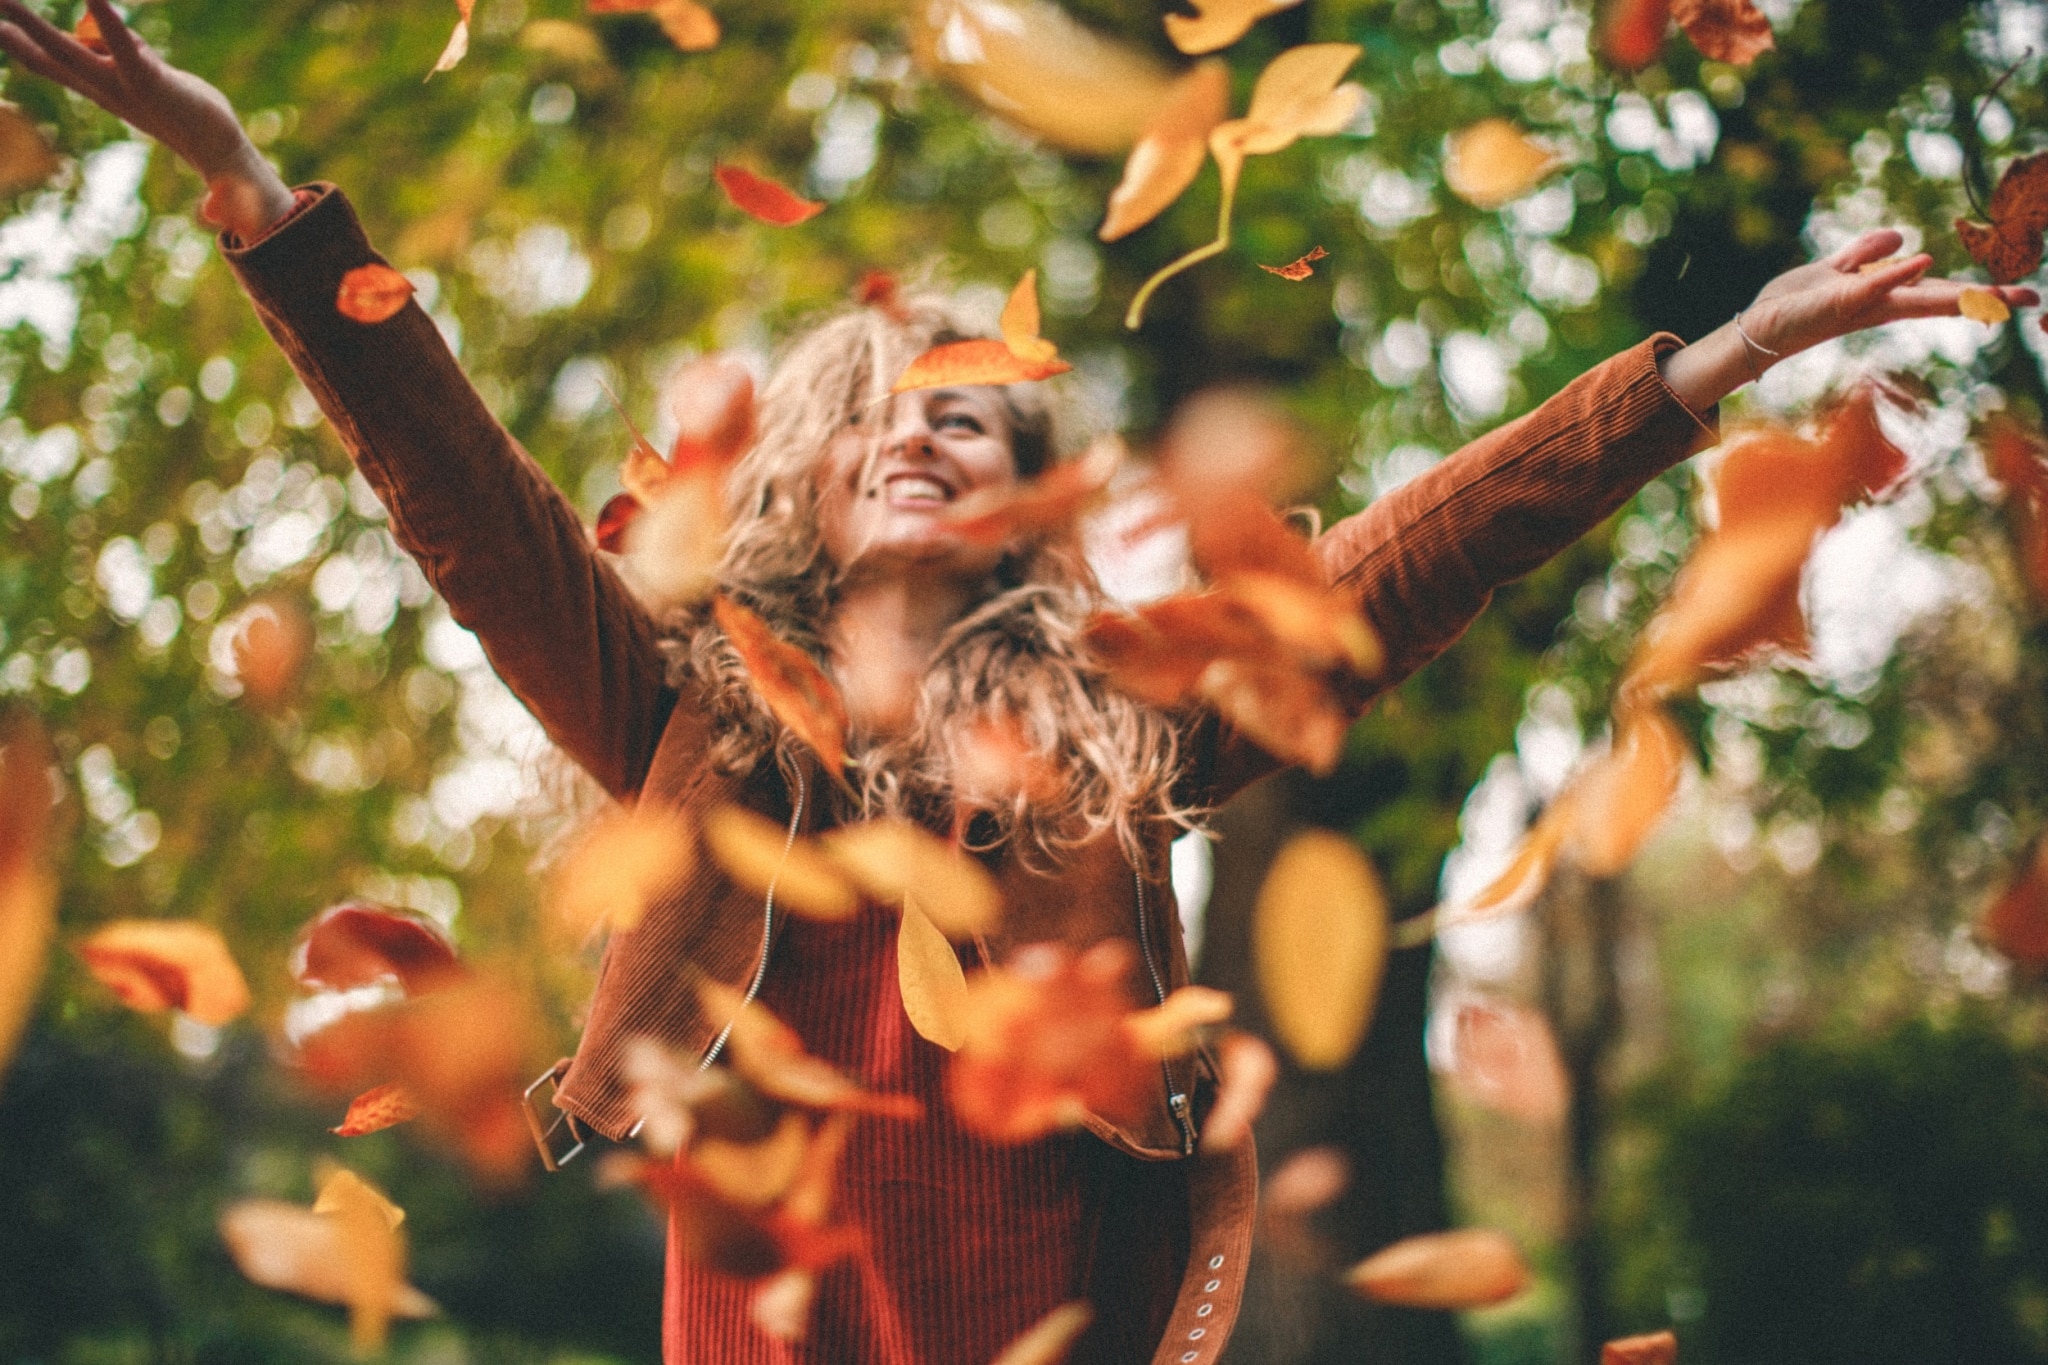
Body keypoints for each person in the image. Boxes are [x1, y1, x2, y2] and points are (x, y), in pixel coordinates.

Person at [3, 1, 2030, 1360]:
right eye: (886, 404)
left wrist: (1699, 370)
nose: (922, 427)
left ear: (1025, 501)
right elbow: (457, 495)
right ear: (808, 467)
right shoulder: (674, 714)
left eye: (976, 417)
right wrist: (257, 193)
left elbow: (1412, 554)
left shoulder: (1126, 727)